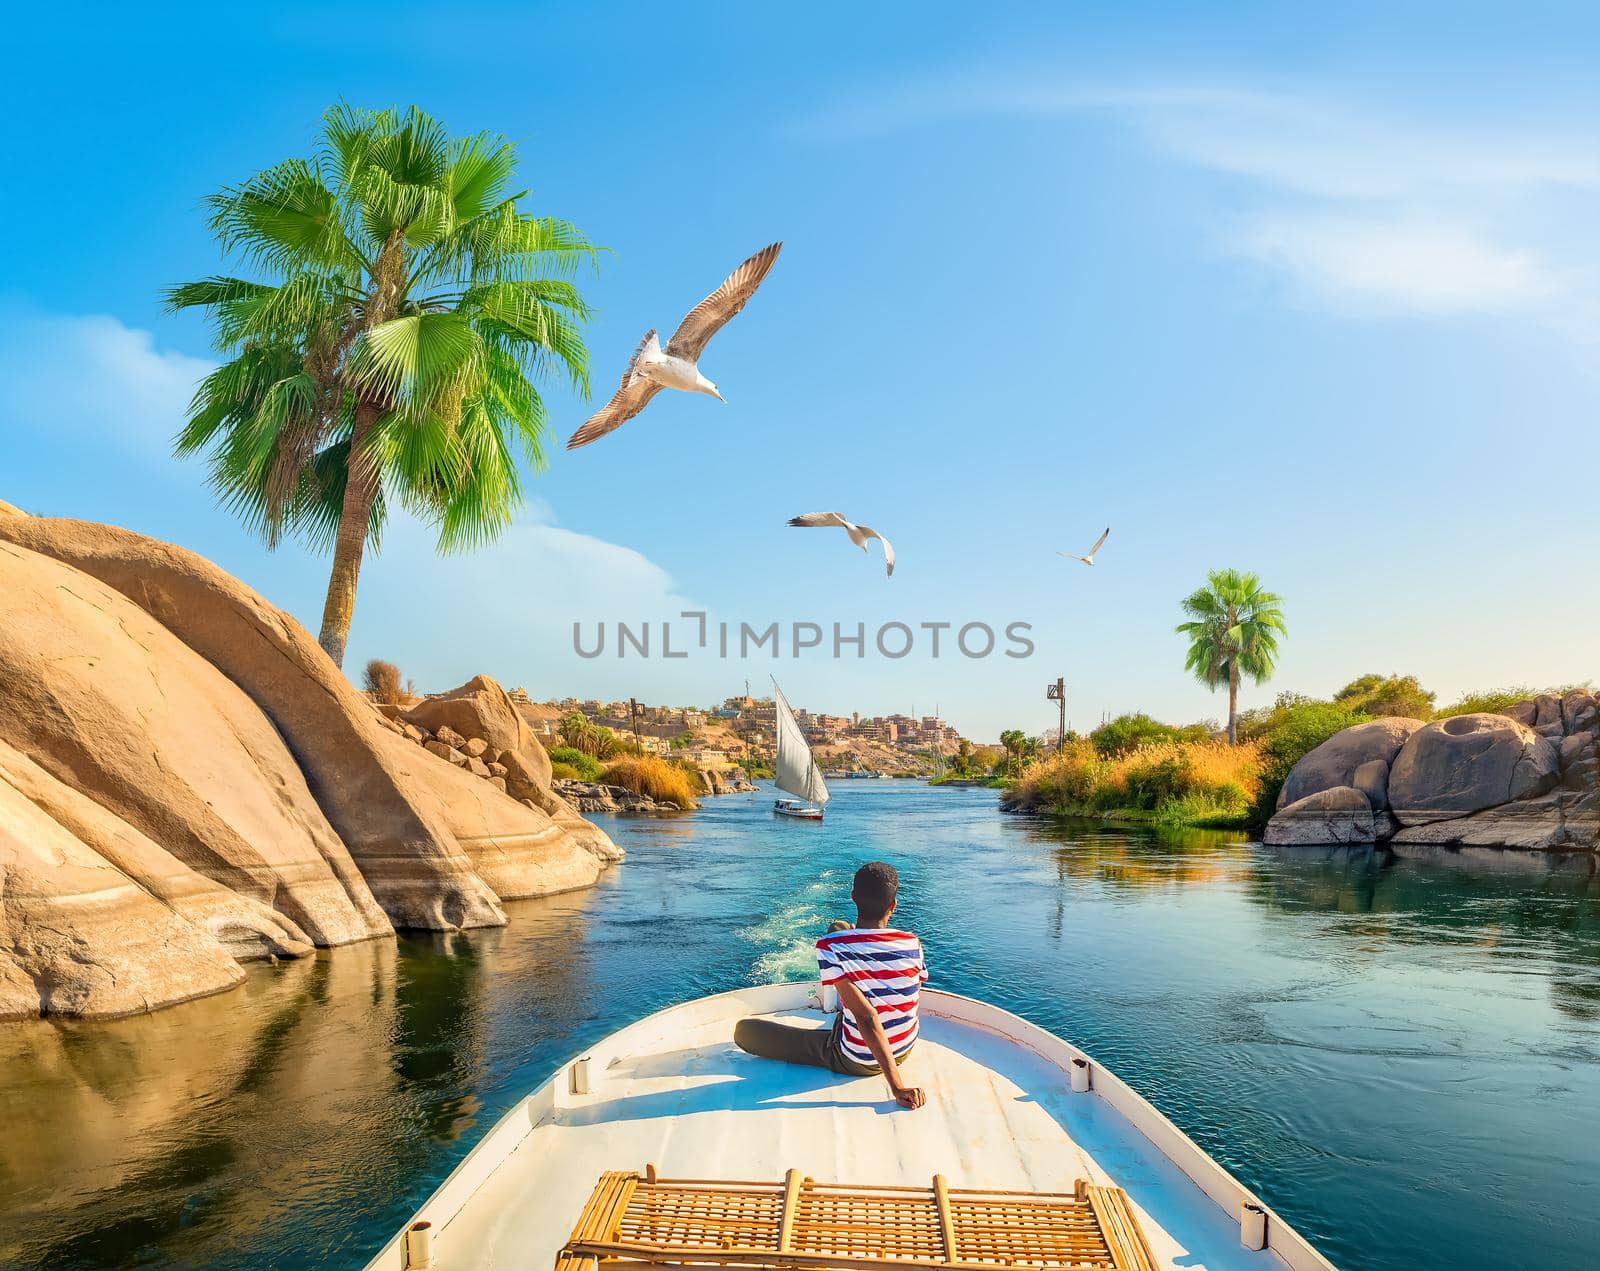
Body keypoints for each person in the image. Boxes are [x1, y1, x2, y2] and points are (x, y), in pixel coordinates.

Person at [733, 861, 928, 1110]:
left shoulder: (830, 946)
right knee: (840, 928)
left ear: (853, 897)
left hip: (857, 1058)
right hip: (903, 1049)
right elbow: (908, 997)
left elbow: (867, 1017)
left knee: (746, 1031)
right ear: (893, 905)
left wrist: (897, 1086)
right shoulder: (912, 943)